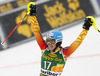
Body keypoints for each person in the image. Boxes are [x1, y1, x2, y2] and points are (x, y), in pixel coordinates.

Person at [28, 2, 96, 76]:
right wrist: (32, 15)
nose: (49, 44)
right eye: (48, 41)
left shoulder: (64, 53)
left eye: (52, 41)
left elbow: (78, 41)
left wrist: (86, 28)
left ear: (58, 42)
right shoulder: (44, 47)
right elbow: (36, 31)